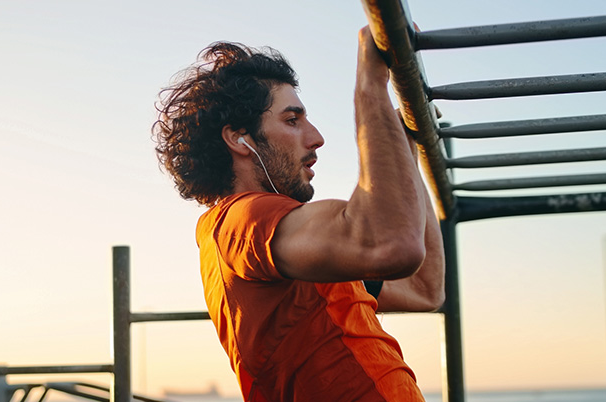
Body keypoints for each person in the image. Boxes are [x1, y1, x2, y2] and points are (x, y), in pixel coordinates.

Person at [152, 27, 445, 401]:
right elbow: (392, 244)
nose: (316, 137)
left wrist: (403, 146)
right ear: (238, 139)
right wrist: (372, 84)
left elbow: (424, 288)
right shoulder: (242, 219)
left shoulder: (298, 249)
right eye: (292, 120)